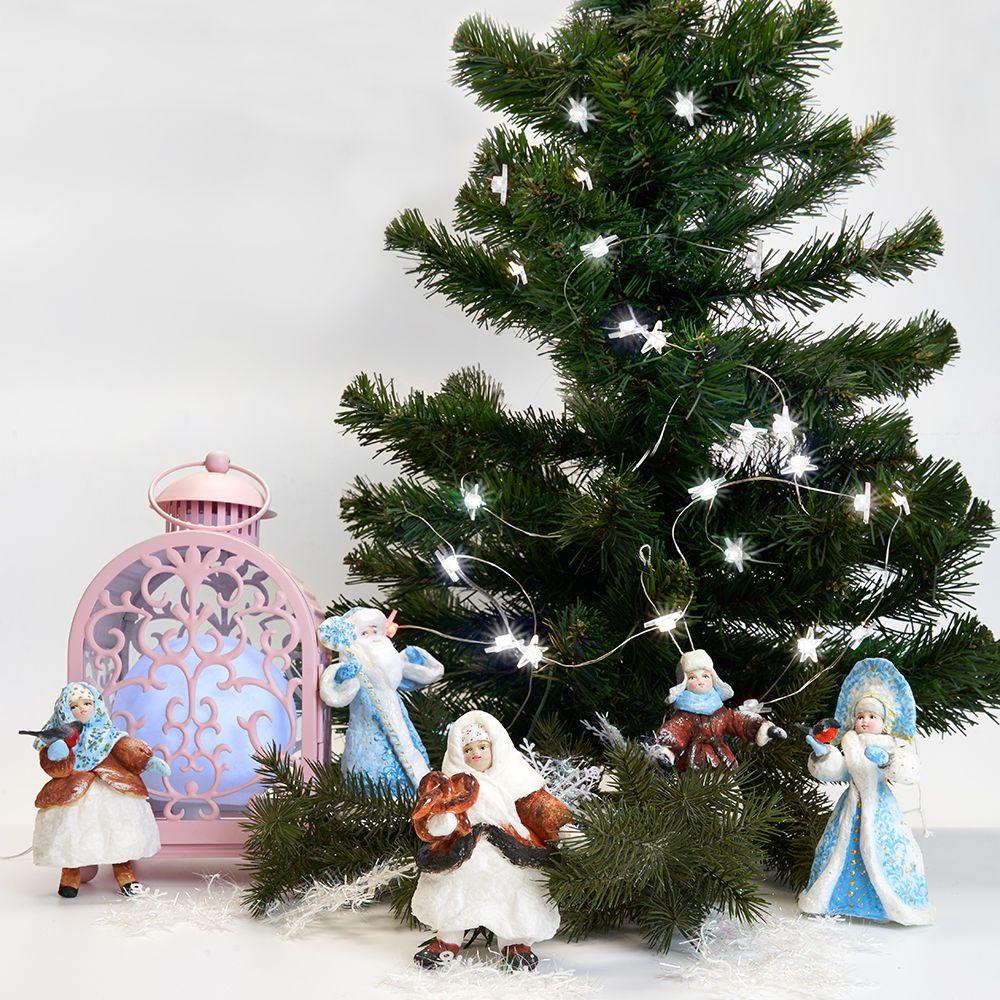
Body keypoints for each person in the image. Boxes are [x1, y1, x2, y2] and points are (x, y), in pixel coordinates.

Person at [409, 710, 574, 971]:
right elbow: (435, 820)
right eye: (468, 749)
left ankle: (515, 943)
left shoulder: (516, 777)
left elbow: (539, 807)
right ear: (458, 753)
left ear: (495, 747)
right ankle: (447, 940)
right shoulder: (451, 787)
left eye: (482, 747)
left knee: (514, 889)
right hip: (464, 849)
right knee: (453, 888)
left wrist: (563, 827)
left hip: (510, 846)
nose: (476, 753)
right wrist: (443, 822)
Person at [798, 657, 933, 925]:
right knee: (838, 849)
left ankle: (890, 903)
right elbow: (839, 770)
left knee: (885, 851)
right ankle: (833, 898)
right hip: (850, 806)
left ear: (883, 721)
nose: (864, 721)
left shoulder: (890, 744)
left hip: (880, 807)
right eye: (860, 717)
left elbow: (910, 769)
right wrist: (824, 754)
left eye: (872, 717)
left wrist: (887, 761)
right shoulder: (850, 743)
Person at [30, 681, 169, 897]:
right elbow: (56, 769)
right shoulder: (62, 737)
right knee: (72, 830)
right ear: (65, 710)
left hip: (112, 783)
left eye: (87, 703)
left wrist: (146, 761)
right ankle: (70, 875)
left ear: (96, 705)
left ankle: (125, 874)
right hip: (73, 788)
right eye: (74, 706)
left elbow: (125, 748)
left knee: (118, 828)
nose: (82, 709)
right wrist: (57, 754)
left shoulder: (107, 733)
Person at [318, 607, 443, 794]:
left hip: (400, 721)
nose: (373, 637)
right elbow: (335, 691)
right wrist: (344, 675)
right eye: (364, 633)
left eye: (375, 631)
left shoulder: (391, 662)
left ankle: (411, 793)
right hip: (367, 726)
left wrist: (415, 660)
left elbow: (419, 673)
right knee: (371, 764)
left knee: (410, 754)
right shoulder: (356, 665)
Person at [651, 649, 785, 770]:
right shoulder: (685, 714)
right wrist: (666, 751)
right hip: (694, 762)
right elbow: (675, 729)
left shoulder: (719, 709)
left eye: (705, 676)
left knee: (730, 786)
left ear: (713, 678)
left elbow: (737, 720)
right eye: (692, 677)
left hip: (723, 760)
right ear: (685, 683)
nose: (700, 681)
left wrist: (763, 727)